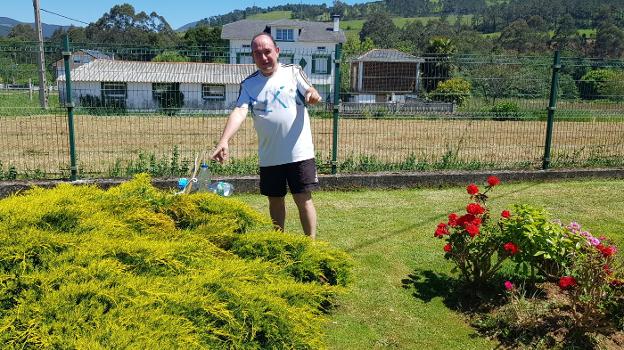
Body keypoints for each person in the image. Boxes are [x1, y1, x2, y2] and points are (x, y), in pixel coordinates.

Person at [211, 32, 323, 239]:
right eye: (257, 54)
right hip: (270, 157)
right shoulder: (248, 85)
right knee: (275, 200)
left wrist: (312, 95)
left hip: (299, 153)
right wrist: (224, 140)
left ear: (277, 51)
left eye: (267, 52)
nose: (263, 58)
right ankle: (278, 243)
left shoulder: (293, 72)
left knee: (303, 198)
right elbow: (239, 111)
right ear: (252, 57)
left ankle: (311, 249)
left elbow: (310, 90)